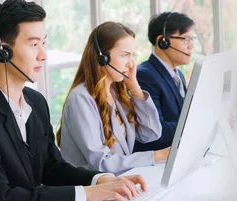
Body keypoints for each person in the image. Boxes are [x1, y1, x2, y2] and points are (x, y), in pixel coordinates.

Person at [0, 1, 145, 201]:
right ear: (3, 52)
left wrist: (101, 179)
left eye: (44, 43)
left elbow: (52, 168)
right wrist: (87, 194)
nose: (43, 55)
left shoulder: (36, 102)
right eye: (34, 44)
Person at [56, 21, 169, 176]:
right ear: (103, 58)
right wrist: (156, 156)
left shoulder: (116, 93)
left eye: (132, 56)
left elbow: (151, 133)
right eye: (125, 55)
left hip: (117, 184)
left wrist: (134, 86)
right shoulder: (81, 99)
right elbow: (101, 163)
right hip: (90, 191)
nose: (131, 64)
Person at [134, 12, 196, 152]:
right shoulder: (145, 75)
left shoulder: (177, 74)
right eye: (186, 39)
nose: (191, 46)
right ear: (163, 41)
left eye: (192, 40)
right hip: (156, 160)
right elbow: (157, 131)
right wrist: (195, 123)